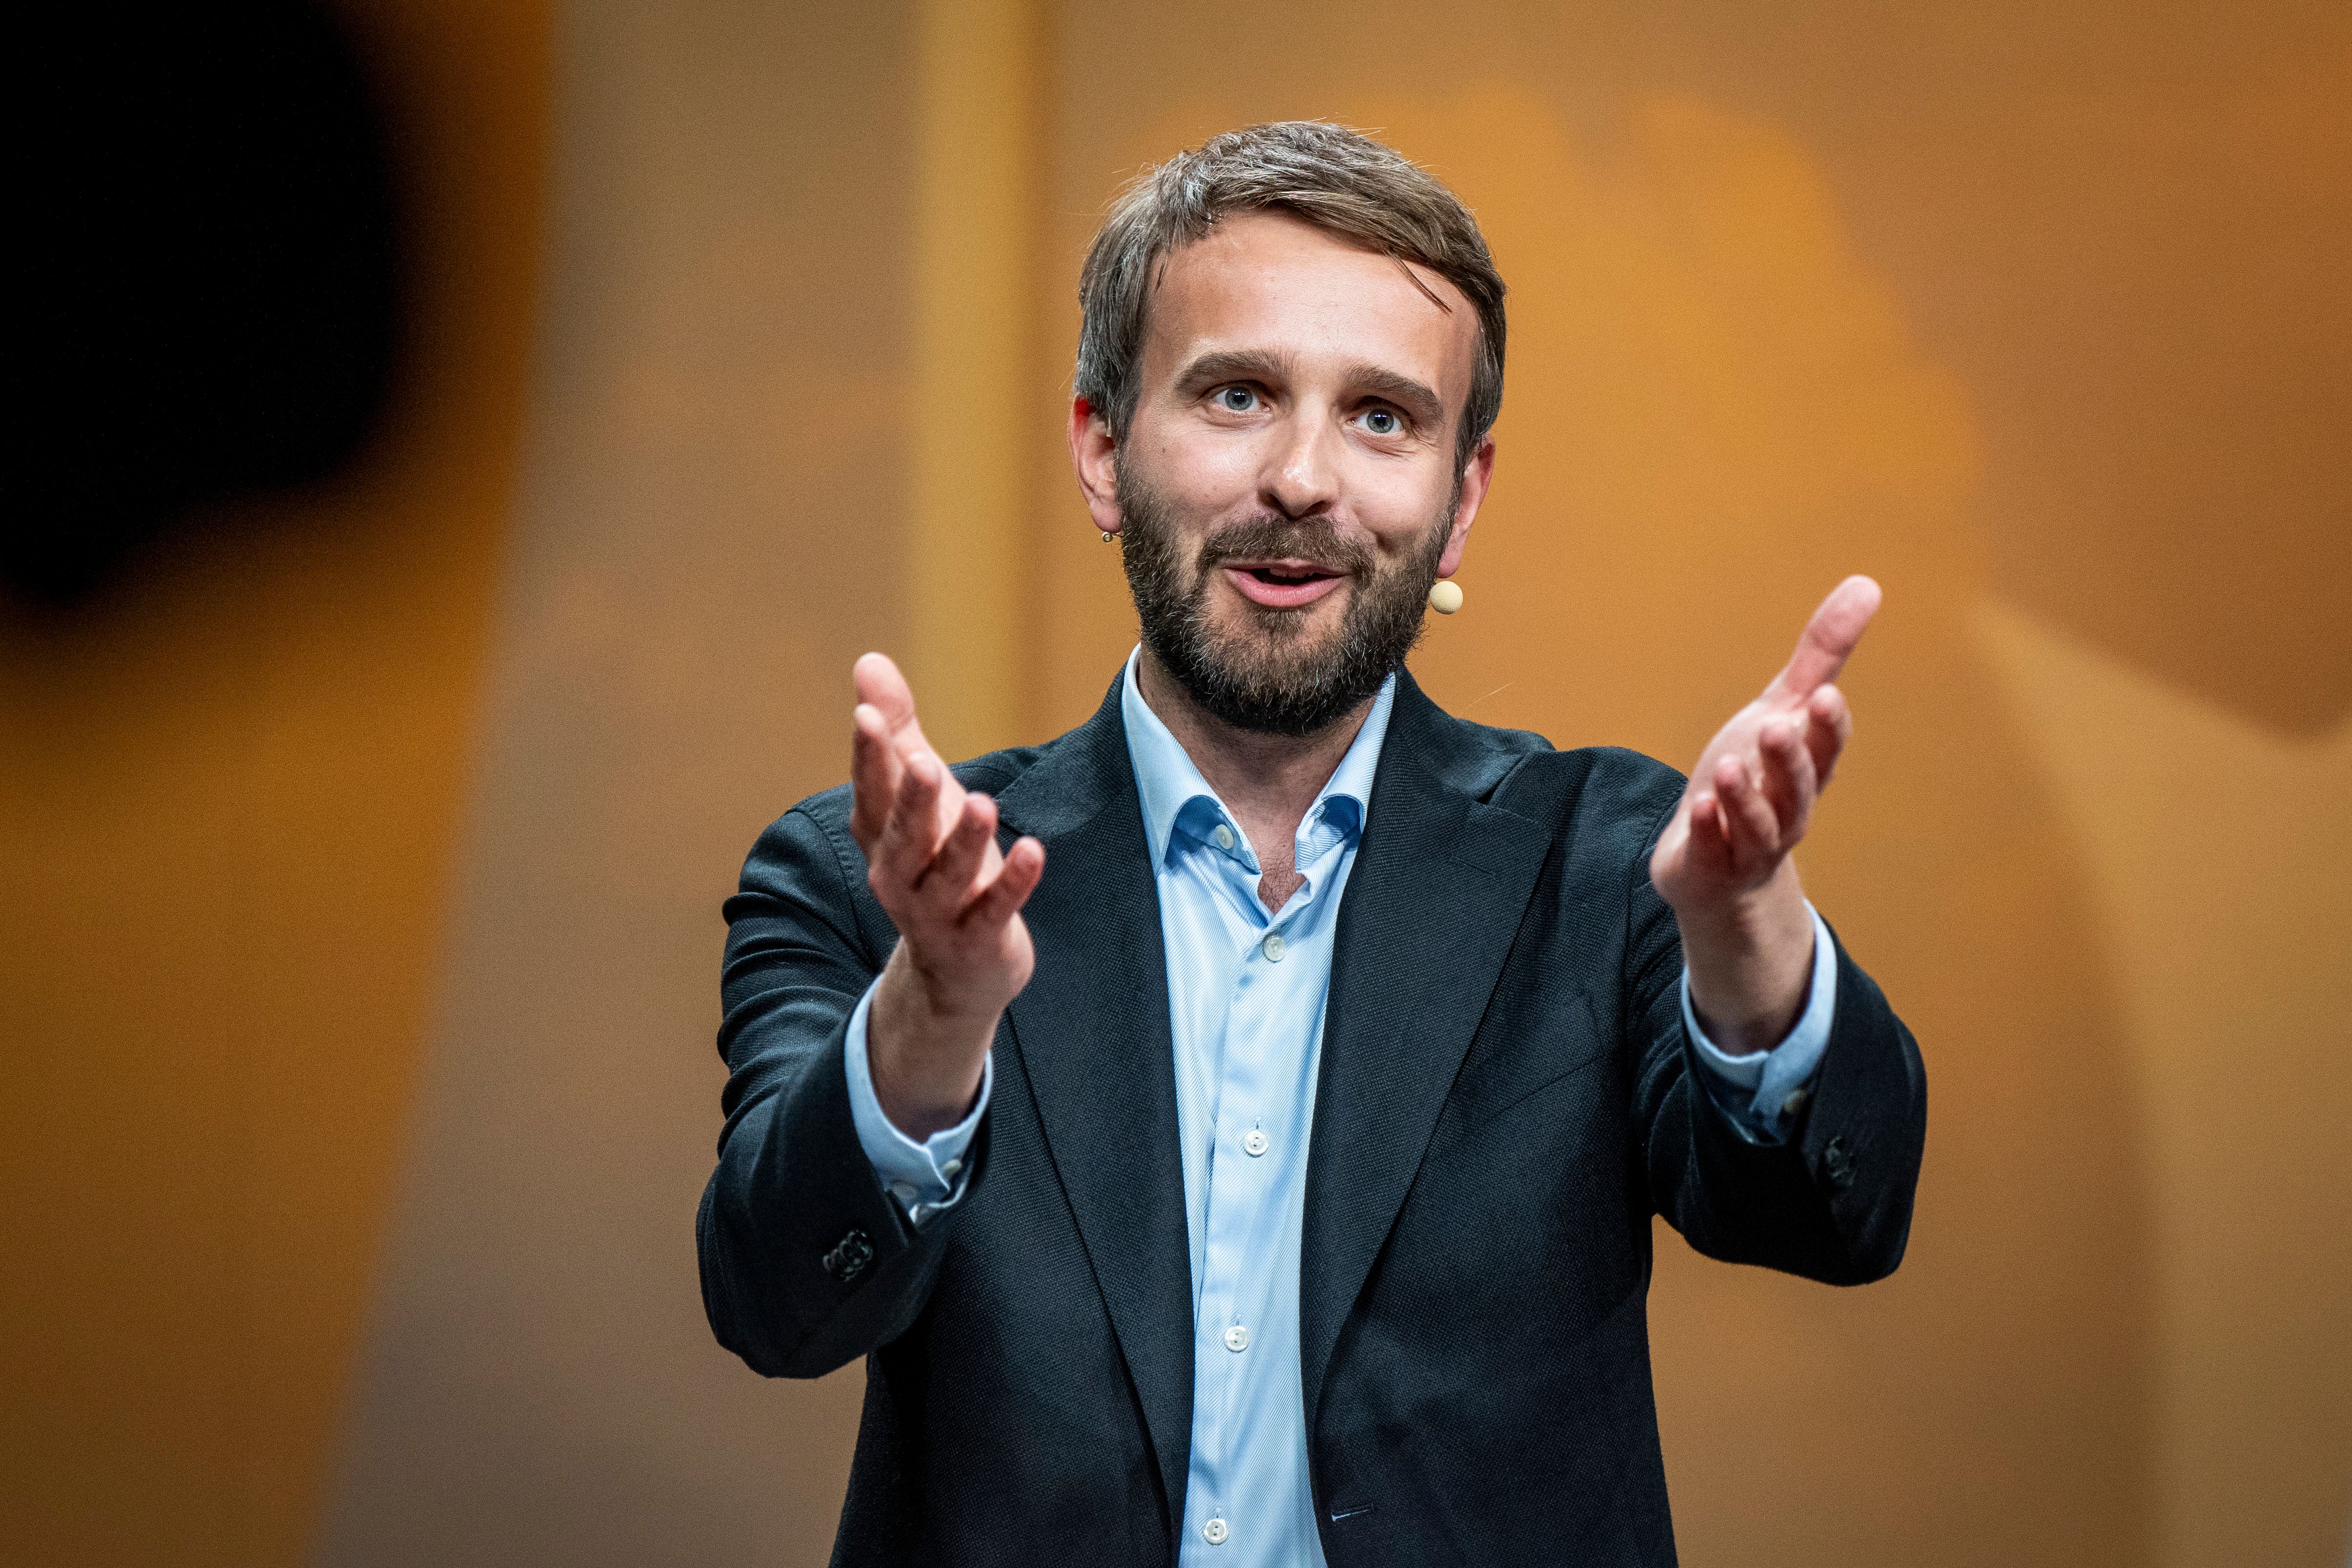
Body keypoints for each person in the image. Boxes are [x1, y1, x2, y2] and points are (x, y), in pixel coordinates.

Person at [699, 121, 1925, 1567]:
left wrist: (1750, 932)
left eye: (1383, 419)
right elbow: (777, 1305)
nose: (1301, 478)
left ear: (1461, 501)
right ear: (1103, 450)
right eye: (1237, 395)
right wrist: (934, 1016)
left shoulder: (1609, 863)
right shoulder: (862, 884)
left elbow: (1828, 1221)